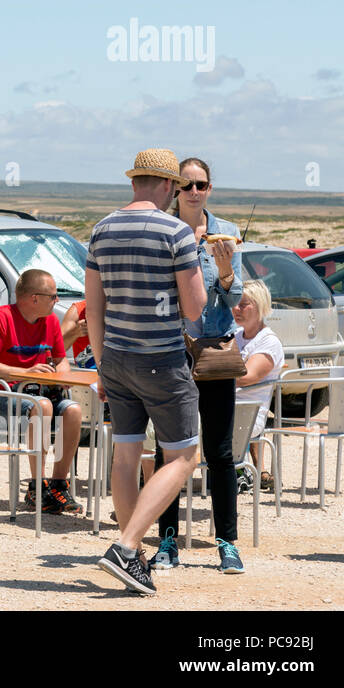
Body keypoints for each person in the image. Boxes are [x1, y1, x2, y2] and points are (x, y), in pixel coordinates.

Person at [87, 149, 206, 595]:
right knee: (182, 457)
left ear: (135, 181)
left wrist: (102, 364)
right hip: (161, 359)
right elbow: (194, 309)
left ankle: (132, 559)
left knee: (125, 455)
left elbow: (93, 309)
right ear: (169, 185)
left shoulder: (101, 229)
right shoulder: (176, 232)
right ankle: (126, 545)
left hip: (114, 357)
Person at [149, 157, 247, 575]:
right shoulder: (161, 230)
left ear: (210, 188)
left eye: (200, 184)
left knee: (221, 452)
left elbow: (235, 299)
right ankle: (167, 541)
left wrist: (225, 272)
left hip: (213, 354)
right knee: (169, 452)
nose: (193, 191)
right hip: (171, 352)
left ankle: (226, 542)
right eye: (186, 184)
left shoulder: (227, 233)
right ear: (174, 188)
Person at [0, 268, 85, 515]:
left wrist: (61, 377)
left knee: (74, 411)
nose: (57, 301)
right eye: (53, 296)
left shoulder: (50, 322)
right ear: (35, 298)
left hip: (38, 394)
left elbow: (61, 359)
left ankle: (58, 484)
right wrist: (24, 373)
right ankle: (37, 487)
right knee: (41, 406)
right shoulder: (0, 318)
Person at [232, 279, 282, 492]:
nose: (236, 308)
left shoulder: (268, 342)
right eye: (235, 303)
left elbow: (246, 376)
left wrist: (210, 374)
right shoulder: (236, 336)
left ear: (261, 306)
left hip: (247, 416)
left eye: (244, 304)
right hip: (232, 408)